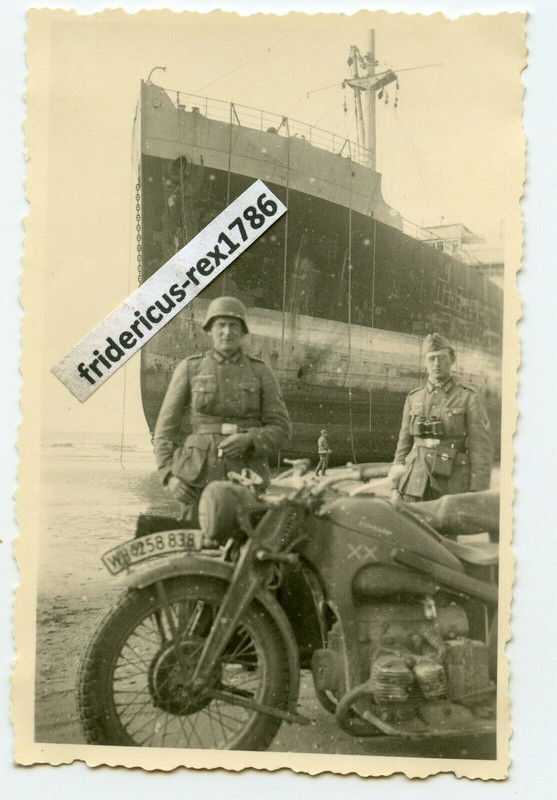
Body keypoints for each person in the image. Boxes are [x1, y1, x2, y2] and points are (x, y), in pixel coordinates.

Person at [153, 296, 291, 526]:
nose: (227, 332)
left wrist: (250, 439)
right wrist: (168, 475)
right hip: (195, 478)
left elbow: (282, 429)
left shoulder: (260, 371)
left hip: (246, 476)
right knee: (194, 547)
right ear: (209, 330)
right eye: (221, 325)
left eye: (234, 325)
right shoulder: (190, 368)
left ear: (243, 331)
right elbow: (164, 431)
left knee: (245, 548)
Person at [388, 333, 493, 503]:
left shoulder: (468, 397)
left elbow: (480, 447)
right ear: (425, 363)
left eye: (442, 358)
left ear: (452, 360)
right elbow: (403, 444)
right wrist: (395, 486)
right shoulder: (414, 398)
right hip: (415, 482)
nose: (436, 364)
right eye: (431, 359)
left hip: (452, 484)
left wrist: (477, 490)